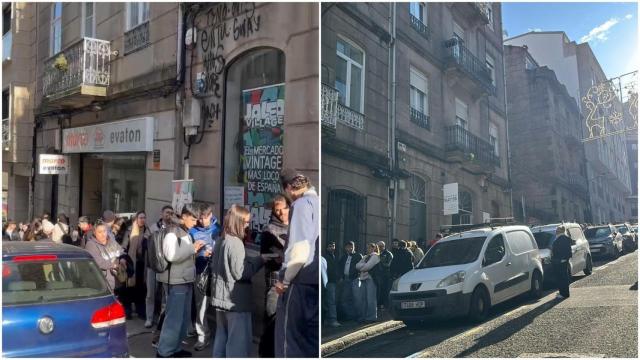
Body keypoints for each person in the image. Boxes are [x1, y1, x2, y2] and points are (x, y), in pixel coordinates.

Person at [274, 169, 319, 358]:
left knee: (289, 341)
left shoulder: (301, 205)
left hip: (298, 281)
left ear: (288, 188)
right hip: (314, 280)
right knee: (309, 340)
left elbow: (300, 249)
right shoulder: (316, 202)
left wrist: (284, 280)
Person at [210, 204, 265, 358]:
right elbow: (241, 273)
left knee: (221, 339)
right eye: (246, 222)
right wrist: (260, 260)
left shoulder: (222, 239)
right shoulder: (235, 243)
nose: (248, 226)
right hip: (236, 301)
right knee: (237, 344)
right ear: (238, 222)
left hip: (221, 299)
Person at [155, 204, 205, 358]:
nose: (195, 222)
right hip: (175, 282)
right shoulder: (173, 231)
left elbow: (182, 255)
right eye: (193, 219)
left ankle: (174, 349)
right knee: (174, 320)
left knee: (182, 320)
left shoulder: (183, 231)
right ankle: (164, 352)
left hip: (184, 280)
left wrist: (195, 251)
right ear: (184, 216)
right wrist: (193, 248)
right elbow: (171, 255)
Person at [258, 194, 290, 357]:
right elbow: (263, 255)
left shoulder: (295, 227)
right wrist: (277, 256)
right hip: (275, 281)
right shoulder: (269, 230)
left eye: (283, 209)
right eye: (276, 211)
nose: (280, 213)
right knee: (271, 321)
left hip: (292, 281)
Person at [188, 203, 221, 351]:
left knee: (220, 305)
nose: (201, 221)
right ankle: (203, 336)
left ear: (210, 215)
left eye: (204, 218)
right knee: (200, 306)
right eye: (199, 219)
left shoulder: (218, 229)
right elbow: (187, 253)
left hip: (218, 272)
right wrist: (199, 253)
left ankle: (222, 335)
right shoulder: (192, 231)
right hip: (200, 271)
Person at [147, 206, 175, 329]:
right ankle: (149, 318)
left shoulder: (173, 228)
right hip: (153, 265)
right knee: (150, 293)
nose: (169, 215)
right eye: (167, 213)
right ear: (161, 213)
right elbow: (146, 245)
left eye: (171, 213)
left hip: (166, 266)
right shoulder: (154, 227)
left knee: (165, 295)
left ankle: (161, 320)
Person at [122, 211, 151, 320]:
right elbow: (124, 246)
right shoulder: (130, 230)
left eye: (144, 217)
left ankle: (140, 311)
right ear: (136, 219)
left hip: (142, 263)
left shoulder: (148, 231)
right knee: (129, 287)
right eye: (140, 217)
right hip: (131, 262)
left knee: (141, 288)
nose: (143, 220)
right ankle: (128, 310)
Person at [85, 222, 128, 290]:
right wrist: (114, 265)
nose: (103, 234)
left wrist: (122, 259)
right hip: (103, 285)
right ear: (94, 232)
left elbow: (122, 252)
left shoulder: (111, 241)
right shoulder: (91, 245)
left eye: (104, 231)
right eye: (100, 232)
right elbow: (98, 262)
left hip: (117, 282)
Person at [354, 243, 380, 322]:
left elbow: (367, 267)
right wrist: (363, 266)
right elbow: (356, 265)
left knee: (370, 299)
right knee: (363, 299)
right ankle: (364, 316)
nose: (368, 249)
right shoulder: (365, 257)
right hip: (363, 278)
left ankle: (371, 317)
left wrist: (362, 267)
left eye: (370, 248)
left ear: (374, 248)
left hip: (370, 279)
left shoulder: (375, 256)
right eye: (367, 247)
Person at [337, 241, 362, 321]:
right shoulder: (343, 257)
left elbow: (362, 266)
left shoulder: (358, 256)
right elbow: (340, 268)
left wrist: (359, 275)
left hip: (355, 279)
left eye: (352, 246)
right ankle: (351, 315)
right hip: (346, 279)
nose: (350, 248)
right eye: (348, 247)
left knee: (357, 298)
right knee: (344, 299)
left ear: (354, 247)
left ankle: (360, 316)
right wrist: (341, 277)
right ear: (345, 248)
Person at [552, 225, 572, 299]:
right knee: (563, 276)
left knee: (561, 277)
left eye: (556, 231)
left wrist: (562, 259)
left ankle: (564, 293)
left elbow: (564, 250)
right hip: (562, 260)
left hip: (560, 260)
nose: (555, 232)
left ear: (558, 231)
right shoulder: (564, 238)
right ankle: (563, 292)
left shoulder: (561, 239)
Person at [323, 241, 341, 327]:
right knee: (331, 301)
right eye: (330, 246)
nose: (332, 248)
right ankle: (332, 320)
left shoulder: (335, 257)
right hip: (329, 282)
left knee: (331, 301)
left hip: (334, 282)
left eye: (333, 246)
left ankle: (328, 319)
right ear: (327, 248)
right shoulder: (325, 257)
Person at [376, 241, 393, 309]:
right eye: (378, 246)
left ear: (384, 246)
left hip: (385, 275)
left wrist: (381, 262)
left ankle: (385, 305)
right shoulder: (376, 254)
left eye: (381, 246)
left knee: (385, 290)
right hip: (377, 275)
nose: (379, 248)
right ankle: (379, 304)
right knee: (378, 290)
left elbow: (389, 264)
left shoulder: (388, 254)